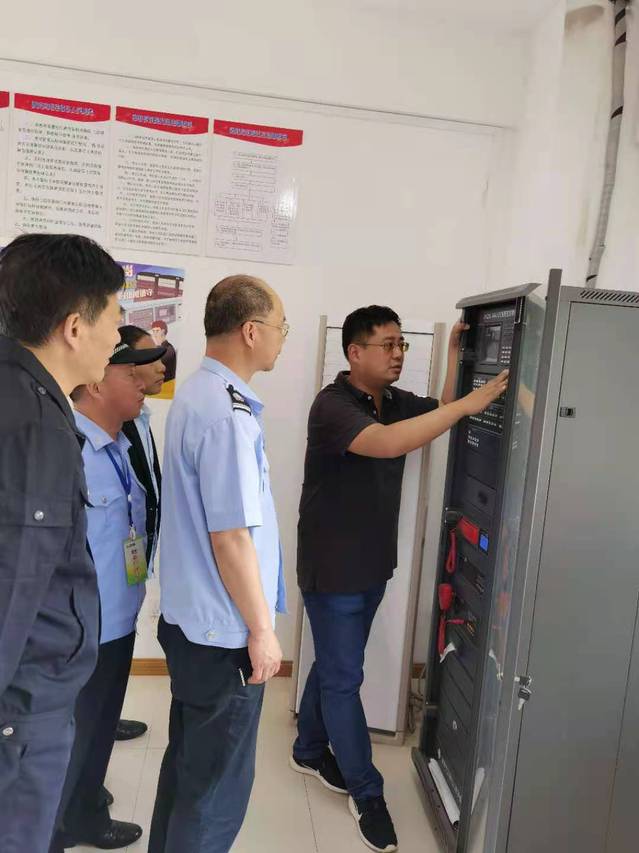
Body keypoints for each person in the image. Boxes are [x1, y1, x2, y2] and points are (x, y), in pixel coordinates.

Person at [292, 305, 508, 852]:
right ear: (354, 352)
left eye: (401, 345)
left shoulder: (392, 401)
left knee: (334, 665)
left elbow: (437, 412)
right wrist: (468, 405)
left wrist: (455, 356)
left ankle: (308, 749)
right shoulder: (333, 406)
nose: (397, 355)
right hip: (332, 567)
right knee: (344, 678)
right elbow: (390, 443)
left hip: (371, 563)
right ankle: (367, 793)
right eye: (387, 345)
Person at [148, 274, 288, 853]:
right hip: (224, 634)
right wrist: (261, 630)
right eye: (281, 327)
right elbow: (231, 538)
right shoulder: (229, 416)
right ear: (251, 331)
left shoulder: (198, 393)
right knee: (215, 792)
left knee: (189, 768)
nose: (282, 339)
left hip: (193, 624)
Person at [0, 233, 123, 853]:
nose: (118, 337)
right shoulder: (34, 425)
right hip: (21, 709)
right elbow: (13, 584)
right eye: (114, 319)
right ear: (75, 327)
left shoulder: (21, 397)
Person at [49, 333, 165, 852]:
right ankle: (50, 835)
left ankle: (85, 818)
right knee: (65, 750)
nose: (143, 382)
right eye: (130, 372)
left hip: (118, 623)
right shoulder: (65, 450)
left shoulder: (122, 444)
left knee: (97, 738)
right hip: (78, 635)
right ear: (96, 383)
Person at [108, 325, 166, 748]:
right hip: (114, 560)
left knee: (122, 637)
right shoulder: (107, 426)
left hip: (137, 553)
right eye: (148, 359)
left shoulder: (142, 419)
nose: (160, 367)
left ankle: (107, 716)